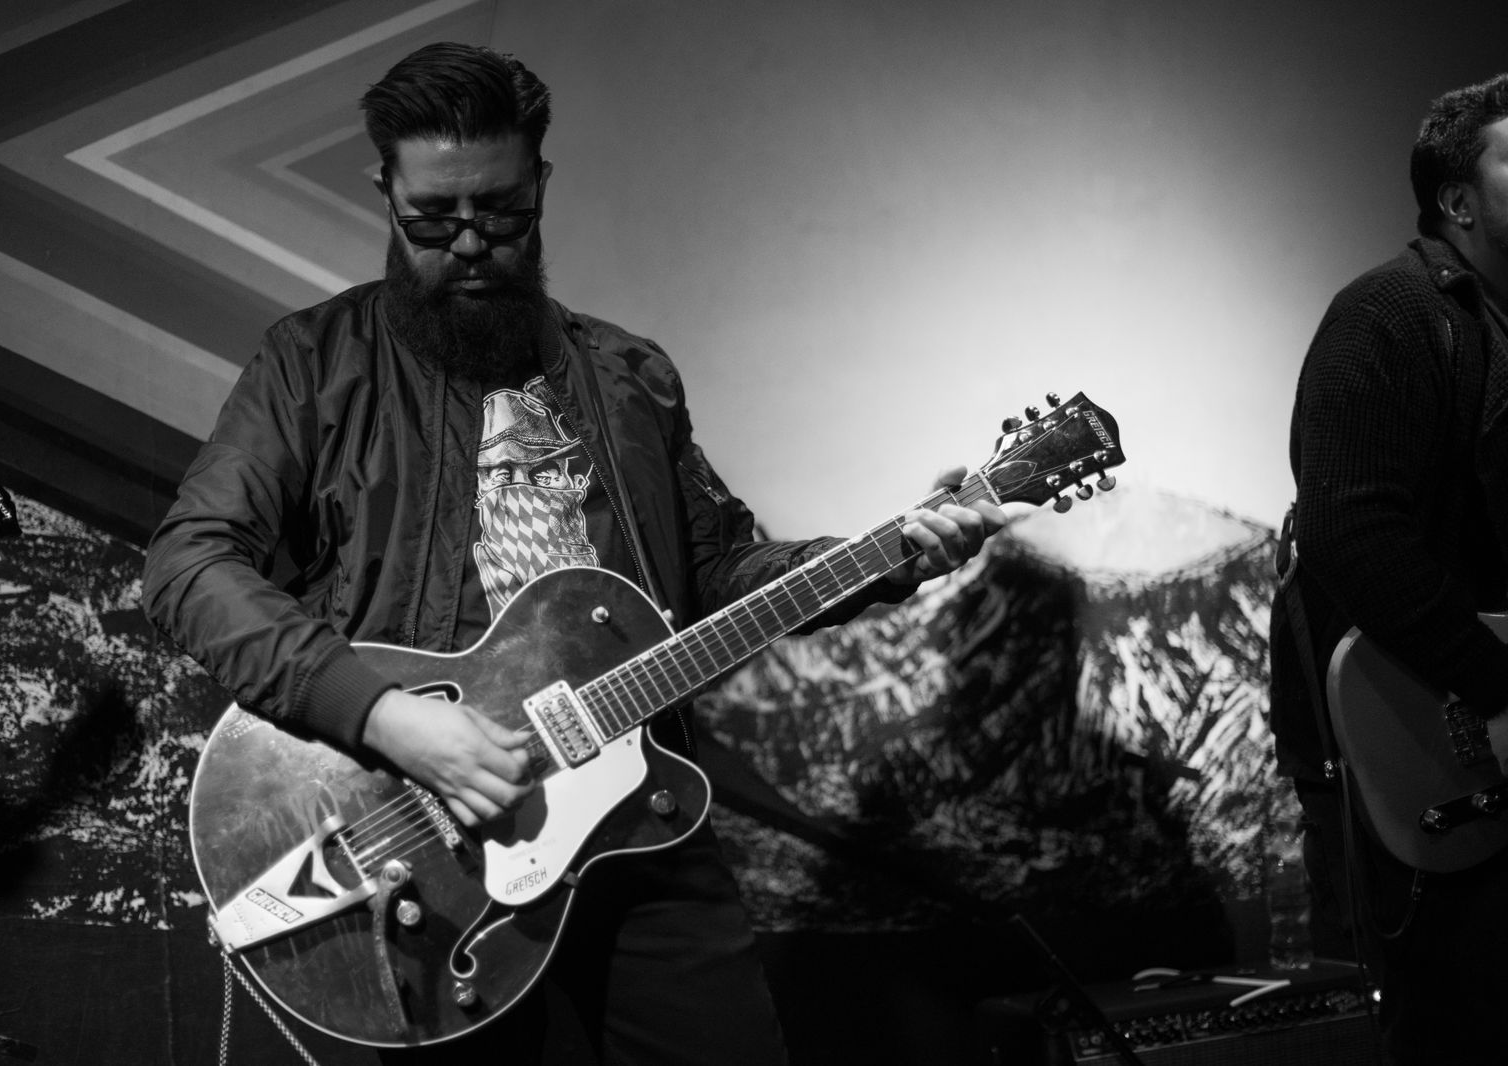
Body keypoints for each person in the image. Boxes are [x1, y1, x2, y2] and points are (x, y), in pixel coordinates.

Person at [142, 41, 1001, 1066]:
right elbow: (189, 564)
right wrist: (384, 716)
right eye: (432, 219)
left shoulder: (630, 376)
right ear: (384, 193)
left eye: (501, 213)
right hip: (429, 840)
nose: (470, 243)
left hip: (637, 818)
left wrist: (888, 554)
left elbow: (719, 573)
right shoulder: (313, 364)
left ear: (541, 185)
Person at [1270, 72, 1508, 1065]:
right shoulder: (1391, 313)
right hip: (1433, 753)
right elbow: (1348, 531)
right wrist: (1495, 681)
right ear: (1458, 200)